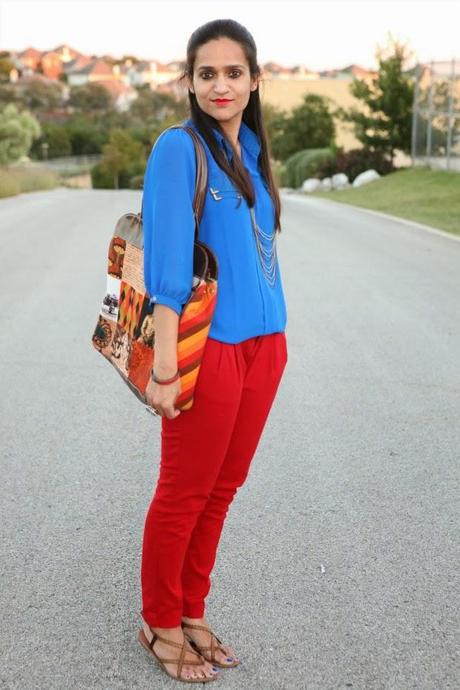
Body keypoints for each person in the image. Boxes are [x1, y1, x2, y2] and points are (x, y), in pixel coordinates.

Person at [138, 18, 288, 684]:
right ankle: (159, 622)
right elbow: (169, 266)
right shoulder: (180, 148)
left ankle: (192, 611)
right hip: (210, 353)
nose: (221, 85)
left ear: (256, 80)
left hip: (266, 348)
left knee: (223, 489)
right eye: (207, 73)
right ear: (189, 82)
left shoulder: (251, 150)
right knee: (184, 491)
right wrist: (164, 367)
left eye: (234, 72)